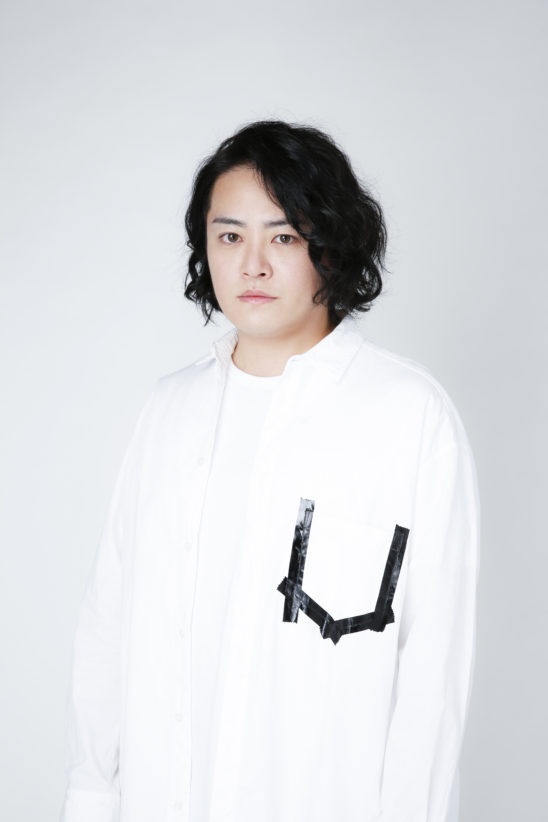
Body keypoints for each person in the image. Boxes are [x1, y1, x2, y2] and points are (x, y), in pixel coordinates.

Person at [60, 120, 480, 822]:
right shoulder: (168, 411)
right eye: (229, 237)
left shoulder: (408, 418)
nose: (252, 265)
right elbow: (108, 631)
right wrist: (91, 803)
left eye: (283, 237)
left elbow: (430, 678)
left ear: (333, 244)